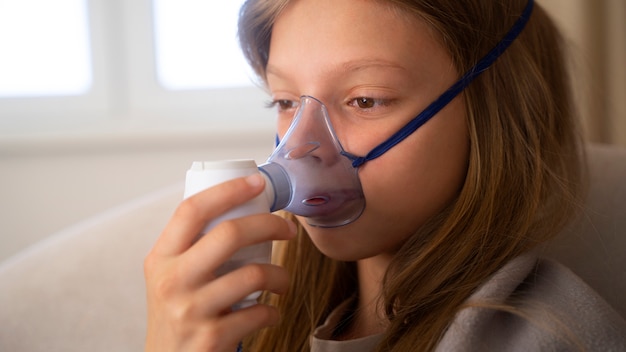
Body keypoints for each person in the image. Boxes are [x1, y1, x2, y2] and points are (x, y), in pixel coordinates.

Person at [143, 0, 626, 351]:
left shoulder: (537, 336)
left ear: (497, 117)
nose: (302, 149)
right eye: (286, 102)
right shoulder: (267, 318)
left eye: (366, 100)